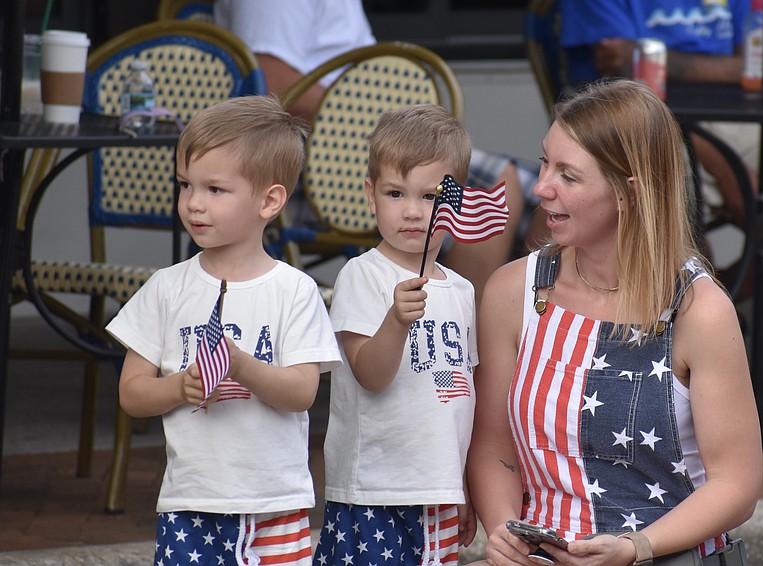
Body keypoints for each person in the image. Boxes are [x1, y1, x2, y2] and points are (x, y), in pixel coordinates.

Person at [466, 80, 762, 566]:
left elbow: (737, 485)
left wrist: (635, 547)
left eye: (569, 175)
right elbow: (494, 448)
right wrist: (505, 535)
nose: (541, 187)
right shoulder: (512, 291)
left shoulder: (699, 310)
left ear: (630, 192)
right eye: (545, 162)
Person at [105, 95, 342, 566]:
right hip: (191, 503)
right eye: (185, 185)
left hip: (275, 502)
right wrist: (179, 385)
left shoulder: (293, 289)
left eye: (215, 189)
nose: (194, 202)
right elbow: (132, 394)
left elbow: (301, 392)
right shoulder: (167, 287)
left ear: (269, 200)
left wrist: (240, 365)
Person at [213, 0, 541, 301]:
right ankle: (459, 334)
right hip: (311, 162)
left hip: (360, 141)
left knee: (547, 189)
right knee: (496, 183)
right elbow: (274, 82)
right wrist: (382, 123)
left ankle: (516, 333)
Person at [559, 0, 763, 295]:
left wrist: (660, 60)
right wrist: (721, 162)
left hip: (741, 118)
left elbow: (756, 65)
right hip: (642, 125)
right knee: (661, 196)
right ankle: (688, 318)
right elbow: (622, 77)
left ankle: (725, 301)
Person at [314, 104, 478, 565]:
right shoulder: (362, 276)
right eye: (395, 193)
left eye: (430, 197)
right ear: (370, 195)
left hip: (439, 487)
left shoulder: (462, 290)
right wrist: (395, 322)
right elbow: (370, 373)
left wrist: (462, 484)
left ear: (457, 201)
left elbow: (464, 398)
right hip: (375, 486)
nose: (412, 211)